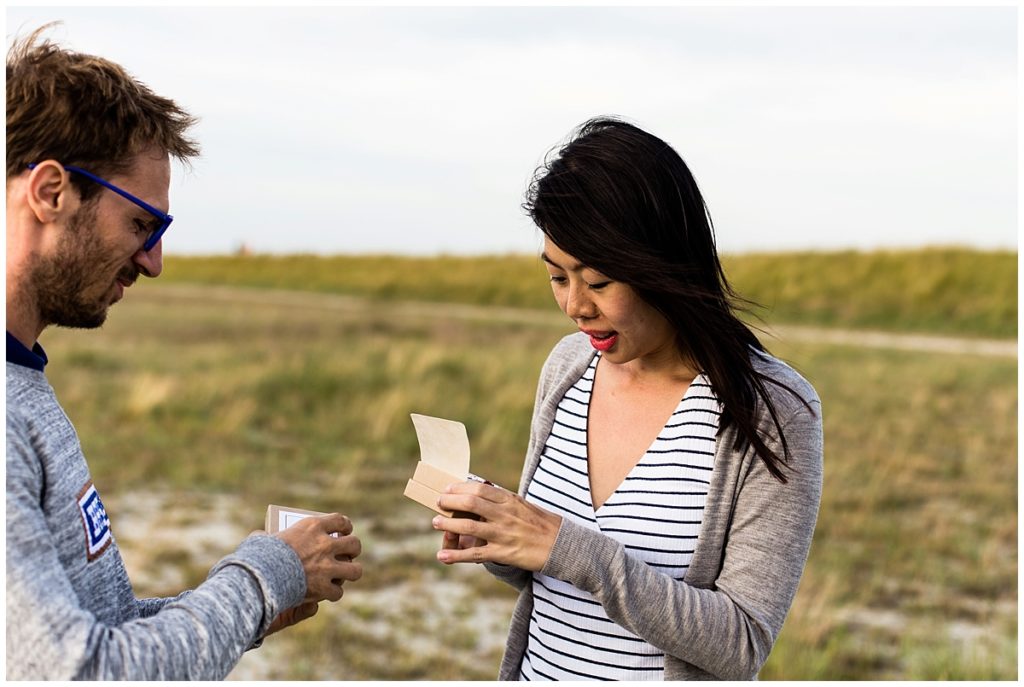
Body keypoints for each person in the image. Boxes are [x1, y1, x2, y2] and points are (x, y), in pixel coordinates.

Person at [5, 25, 362, 680]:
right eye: (143, 223)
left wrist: (247, 604)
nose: (155, 261)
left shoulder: (21, 383)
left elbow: (89, 631)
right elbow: (82, 671)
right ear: (52, 191)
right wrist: (262, 577)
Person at [432, 117, 823, 680]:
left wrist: (566, 547)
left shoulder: (776, 409)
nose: (575, 306)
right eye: (557, 277)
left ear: (661, 266)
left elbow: (741, 642)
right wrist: (498, 535)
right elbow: (545, 571)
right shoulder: (567, 365)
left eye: (598, 281)